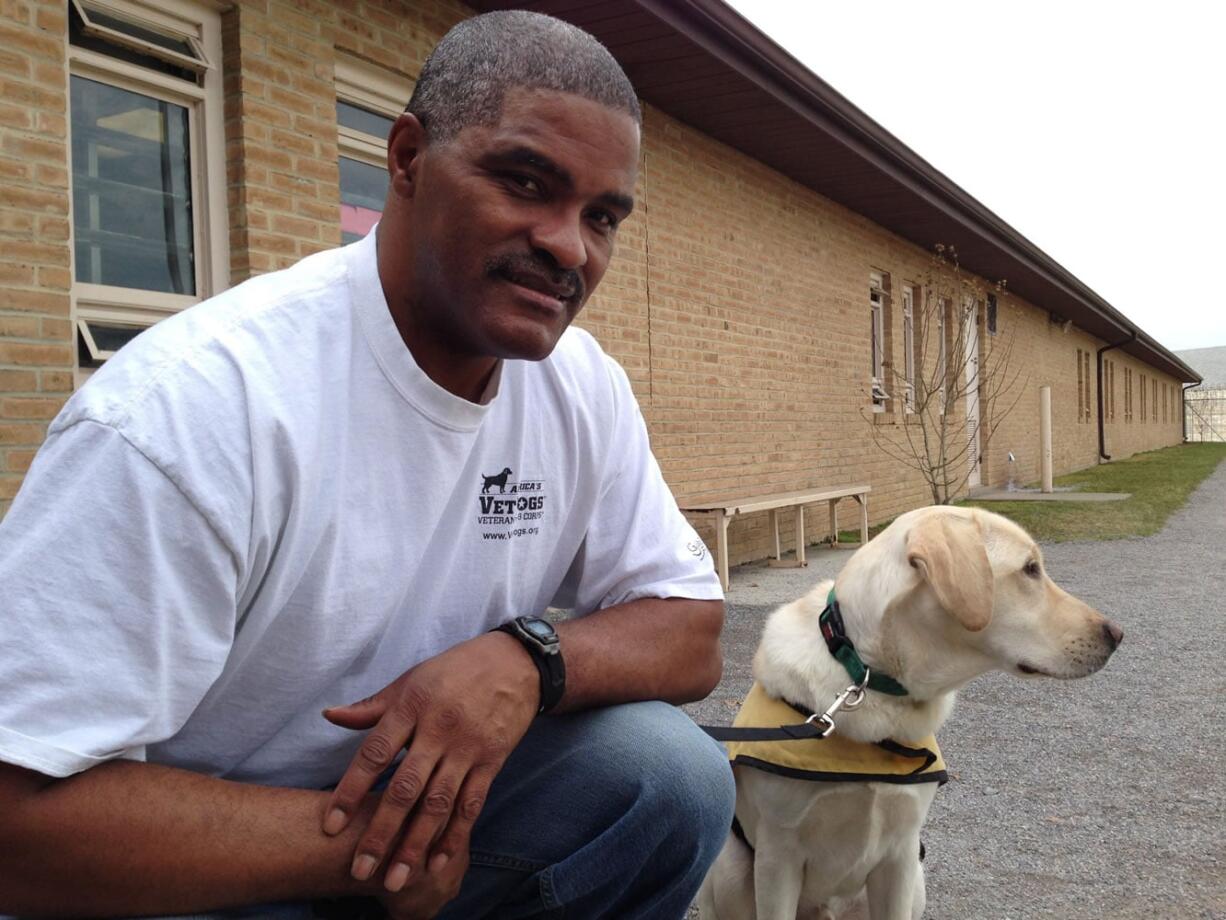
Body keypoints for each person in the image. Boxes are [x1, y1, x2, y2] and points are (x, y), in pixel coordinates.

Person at [0, 11, 735, 919]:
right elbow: (16, 825)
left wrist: (528, 660)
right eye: (525, 181)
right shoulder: (190, 412)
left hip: (395, 842)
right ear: (407, 159)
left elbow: (692, 628)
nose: (568, 246)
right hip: (184, 874)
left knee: (665, 774)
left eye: (603, 217)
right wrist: (371, 841)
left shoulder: (580, 387)